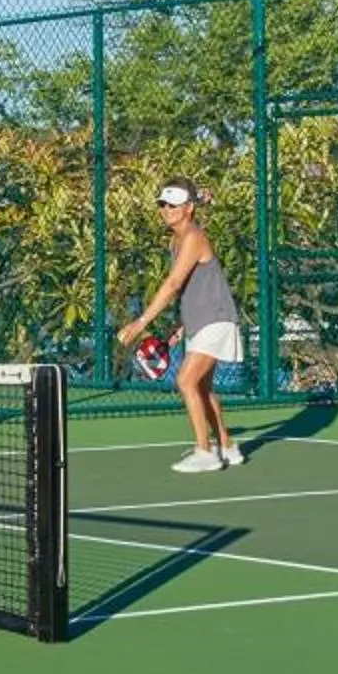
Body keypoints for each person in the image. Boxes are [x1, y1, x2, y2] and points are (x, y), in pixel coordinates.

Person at [117, 181, 246, 474]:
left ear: (188, 208)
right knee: (202, 387)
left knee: (186, 381)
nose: (166, 210)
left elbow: (174, 283)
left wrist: (140, 322)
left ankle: (205, 452)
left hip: (216, 318)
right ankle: (227, 446)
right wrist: (181, 325)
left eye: (173, 205)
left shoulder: (193, 237)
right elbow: (192, 286)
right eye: (162, 204)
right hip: (199, 321)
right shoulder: (175, 241)